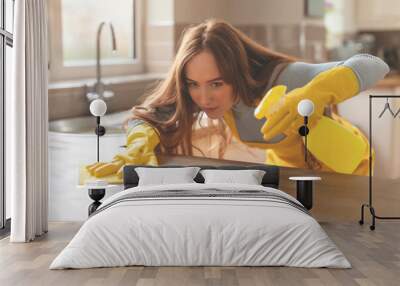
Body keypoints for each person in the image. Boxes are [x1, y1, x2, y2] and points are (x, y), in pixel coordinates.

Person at [86, 18, 389, 178]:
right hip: (290, 174)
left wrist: (312, 93)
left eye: (216, 83)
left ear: (237, 71)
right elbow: (153, 113)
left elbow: (374, 63)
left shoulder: (283, 79)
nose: (203, 97)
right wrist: (139, 141)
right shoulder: (199, 95)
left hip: (348, 167)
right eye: (193, 84)